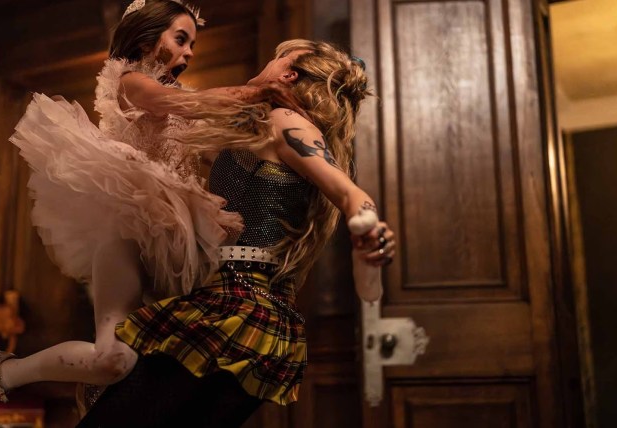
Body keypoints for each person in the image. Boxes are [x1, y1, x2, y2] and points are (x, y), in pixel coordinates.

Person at [0, 1, 302, 427]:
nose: (189, 52)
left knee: (147, 359)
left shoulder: (184, 98)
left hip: (176, 239)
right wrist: (257, 91)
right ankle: (3, 372)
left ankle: (102, 391)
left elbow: (207, 139)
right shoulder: (130, 82)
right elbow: (176, 103)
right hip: (127, 223)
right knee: (112, 360)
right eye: (180, 39)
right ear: (147, 38)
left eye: (192, 44)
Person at [76, 39, 395, 427]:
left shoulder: (286, 122)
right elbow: (369, 291)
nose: (269, 61)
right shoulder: (259, 134)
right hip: (260, 323)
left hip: (234, 312)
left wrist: (367, 226)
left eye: (278, 57)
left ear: (287, 75)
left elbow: (350, 194)